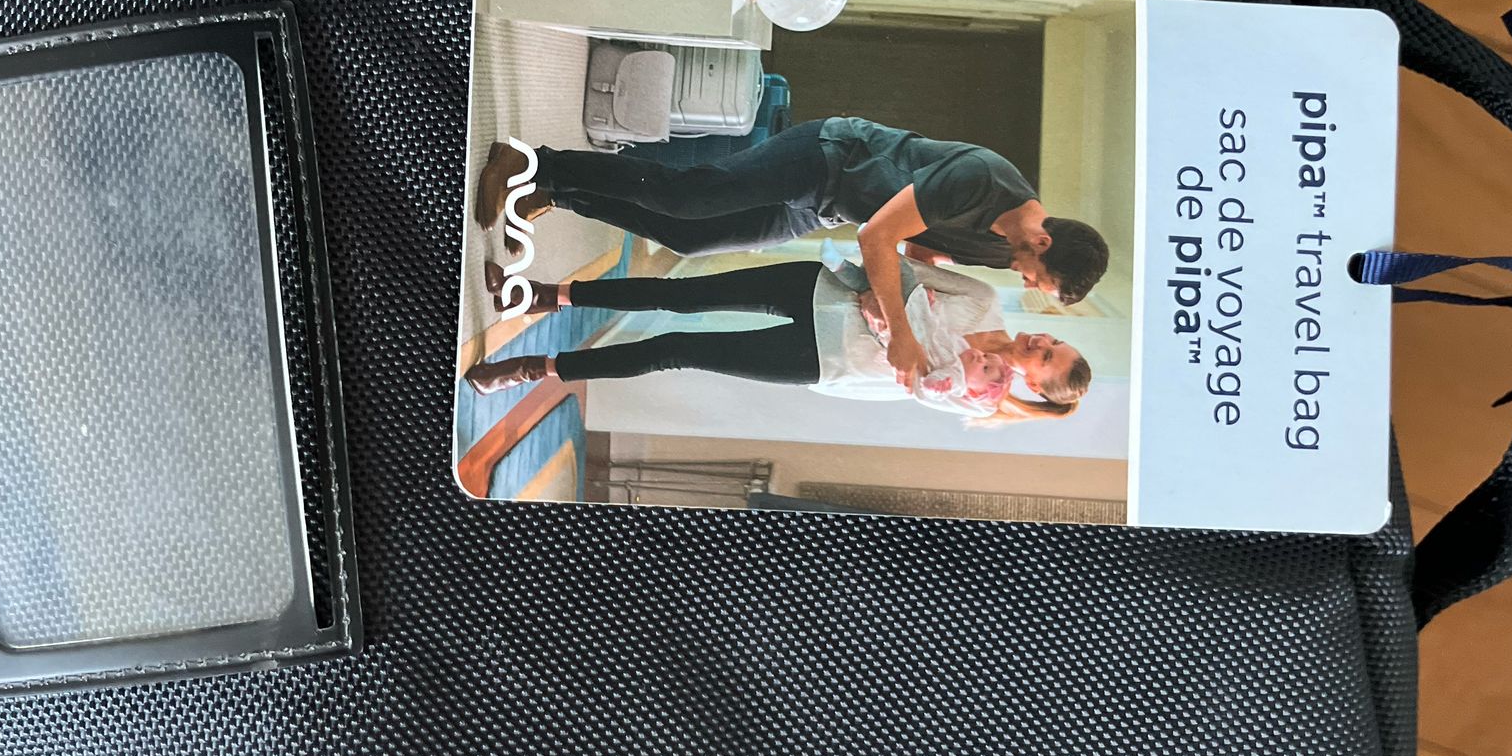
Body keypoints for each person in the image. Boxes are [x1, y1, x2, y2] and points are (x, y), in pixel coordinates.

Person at [471, 118, 1112, 317]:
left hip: (823, 207)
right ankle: (530, 160)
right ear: (1043, 242)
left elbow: (916, 246)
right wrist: (901, 328)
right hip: (827, 158)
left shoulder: (1004, 249)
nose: (1026, 281)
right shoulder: (983, 178)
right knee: (689, 196)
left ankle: (560, 193)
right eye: (1039, 277)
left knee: (689, 239)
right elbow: (880, 234)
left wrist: (898, 293)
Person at [465, 256, 1090, 423]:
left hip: (822, 358)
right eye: (1052, 339)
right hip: (820, 288)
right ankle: (545, 294)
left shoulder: (977, 393)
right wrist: (881, 293)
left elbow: (918, 383)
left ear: (1035, 382)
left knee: (676, 348)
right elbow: (900, 266)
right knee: (680, 295)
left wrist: (904, 331)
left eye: (1045, 357)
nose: (1038, 341)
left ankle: (533, 369)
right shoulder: (983, 298)